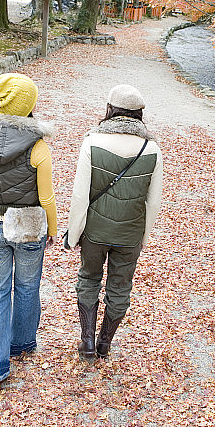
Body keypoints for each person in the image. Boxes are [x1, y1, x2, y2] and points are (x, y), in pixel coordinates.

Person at [0, 72, 57, 384]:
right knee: (28, 286)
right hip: (28, 224)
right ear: (29, 103)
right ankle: (21, 344)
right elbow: (47, 197)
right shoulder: (38, 146)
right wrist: (52, 229)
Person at [66, 84, 163, 360]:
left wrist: (74, 235)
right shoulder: (152, 149)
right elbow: (153, 202)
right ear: (139, 114)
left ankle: (86, 342)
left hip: (95, 232)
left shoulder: (92, 142)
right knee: (120, 287)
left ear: (110, 109)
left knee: (89, 278)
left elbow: (80, 196)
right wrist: (143, 238)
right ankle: (105, 343)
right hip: (130, 234)